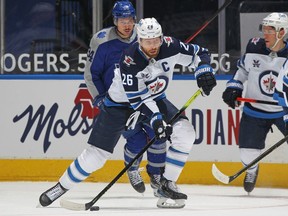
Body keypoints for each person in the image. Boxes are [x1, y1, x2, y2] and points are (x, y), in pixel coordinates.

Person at [39, 17, 216, 208]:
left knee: (186, 133)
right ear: (139, 40)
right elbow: (138, 99)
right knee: (96, 155)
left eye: (156, 40)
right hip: (120, 105)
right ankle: (61, 187)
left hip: (155, 98)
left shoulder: (171, 46)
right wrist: (157, 120)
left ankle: (167, 183)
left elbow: (200, 53)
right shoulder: (130, 59)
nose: (153, 45)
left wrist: (203, 70)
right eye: (148, 41)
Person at [83, 0, 166, 195]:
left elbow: (159, 60)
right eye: (122, 20)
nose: (127, 25)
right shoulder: (101, 41)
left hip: (145, 98)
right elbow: (91, 74)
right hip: (120, 103)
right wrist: (99, 98)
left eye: (130, 20)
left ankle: (156, 176)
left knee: (158, 134)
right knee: (136, 141)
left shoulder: (144, 35)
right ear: (115, 21)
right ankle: (132, 168)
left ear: (135, 20)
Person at [222, 12, 288, 194]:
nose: (265, 34)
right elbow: (242, 70)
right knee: (247, 153)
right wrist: (234, 87)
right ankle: (251, 169)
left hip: (283, 110)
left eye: (270, 30)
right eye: (264, 29)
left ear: (282, 32)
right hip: (254, 111)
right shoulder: (254, 47)